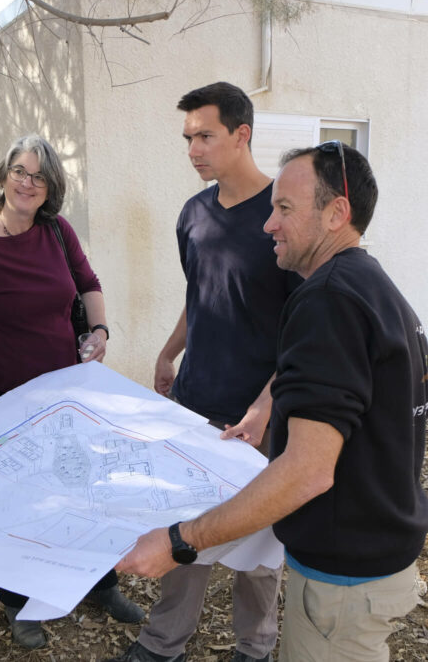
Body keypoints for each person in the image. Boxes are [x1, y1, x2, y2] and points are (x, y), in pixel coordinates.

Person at [117, 142, 428, 662]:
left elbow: (308, 471)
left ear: (336, 213)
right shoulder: (370, 287)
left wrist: (181, 540)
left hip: (344, 584)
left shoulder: (328, 300)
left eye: (284, 208)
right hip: (369, 564)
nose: (268, 225)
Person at [0, 134, 144, 649]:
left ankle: (100, 584)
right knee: (18, 504)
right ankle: (18, 602)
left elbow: (89, 282)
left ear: (51, 188)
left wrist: (100, 331)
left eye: (39, 176)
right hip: (4, 400)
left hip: (66, 394)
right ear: (4, 176)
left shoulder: (57, 232)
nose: (27, 183)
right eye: (20, 171)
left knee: (84, 493)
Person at [106, 82, 299, 662]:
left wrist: (267, 403)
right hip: (195, 402)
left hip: (260, 413)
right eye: (188, 138)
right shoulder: (193, 214)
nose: (193, 150)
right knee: (181, 527)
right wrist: (168, 352)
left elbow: (304, 328)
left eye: (205, 136)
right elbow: (201, 296)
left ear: (242, 135)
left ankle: (255, 648)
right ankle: (163, 644)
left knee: (258, 545)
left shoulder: (283, 217)